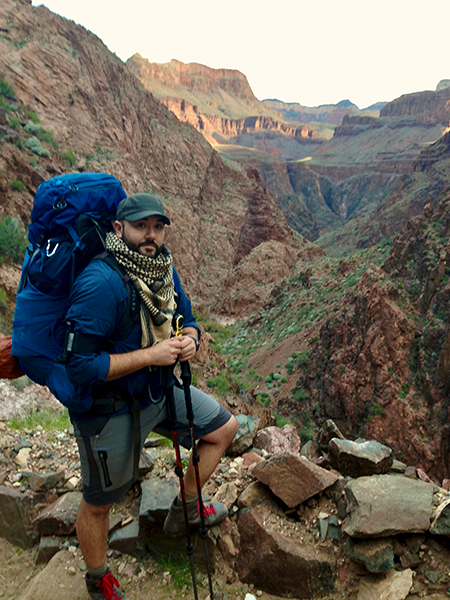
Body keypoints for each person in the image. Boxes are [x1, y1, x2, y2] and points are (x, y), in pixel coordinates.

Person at [64, 193, 239, 600]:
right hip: (109, 409)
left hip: (158, 390)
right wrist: (152, 356)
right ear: (118, 228)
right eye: (141, 226)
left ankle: (187, 510)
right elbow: (79, 366)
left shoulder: (162, 269)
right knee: (99, 503)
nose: (151, 235)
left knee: (224, 428)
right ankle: (97, 578)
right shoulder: (101, 283)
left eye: (158, 227)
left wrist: (192, 339)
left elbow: (188, 318)